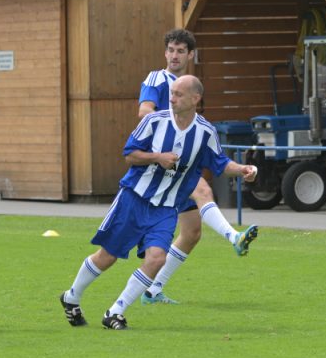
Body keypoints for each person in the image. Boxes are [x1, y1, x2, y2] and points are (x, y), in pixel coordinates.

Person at [59, 75, 258, 329]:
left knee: (157, 258)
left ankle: (115, 312)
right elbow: (129, 154)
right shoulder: (155, 121)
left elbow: (220, 163)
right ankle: (71, 297)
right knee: (107, 256)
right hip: (133, 199)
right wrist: (158, 157)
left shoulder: (205, 131)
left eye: (178, 94)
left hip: (165, 208)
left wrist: (242, 169)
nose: (172, 98)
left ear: (195, 99)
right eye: (171, 93)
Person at [135, 28, 257, 305]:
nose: (175, 55)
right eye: (171, 50)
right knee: (202, 190)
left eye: (181, 51)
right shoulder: (158, 78)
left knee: (191, 232)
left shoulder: (190, 86)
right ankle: (234, 237)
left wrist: (241, 169)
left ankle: (152, 291)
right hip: (162, 162)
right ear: (165, 52)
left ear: (191, 55)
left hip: (180, 159)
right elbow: (144, 111)